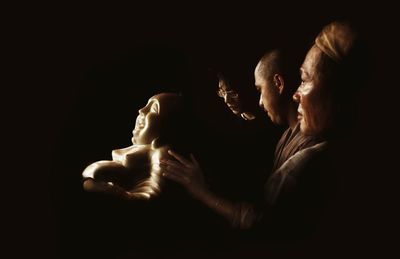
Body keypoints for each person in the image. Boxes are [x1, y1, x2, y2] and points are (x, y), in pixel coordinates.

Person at [160, 21, 366, 241]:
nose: (297, 94)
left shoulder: (309, 162)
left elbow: (265, 227)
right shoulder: (294, 133)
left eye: (305, 80)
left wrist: (201, 192)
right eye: (222, 93)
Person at [82, 92, 188, 200]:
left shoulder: (162, 151)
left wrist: (121, 195)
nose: (141, 110)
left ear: (168, 127)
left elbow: (153, 191)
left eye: (153, 109)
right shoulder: (143, 149)